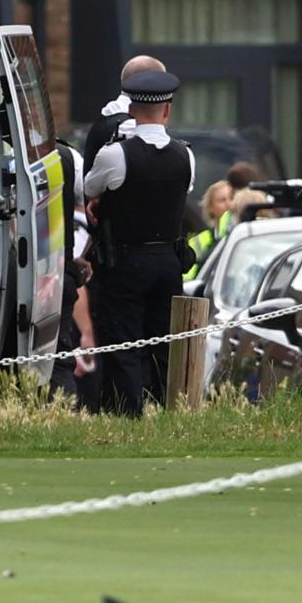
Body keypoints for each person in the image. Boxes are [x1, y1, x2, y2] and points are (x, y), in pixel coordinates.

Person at [68, 59, 198, 417]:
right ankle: (164, 408)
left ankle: (129, 414)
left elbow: (91, 187)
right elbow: (181, 191)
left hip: (126, 259)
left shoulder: (115, 154)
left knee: (123, 340)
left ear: (132, 109)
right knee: (163, 339)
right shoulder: (185, 154)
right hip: (169, 261)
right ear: (167, 109)